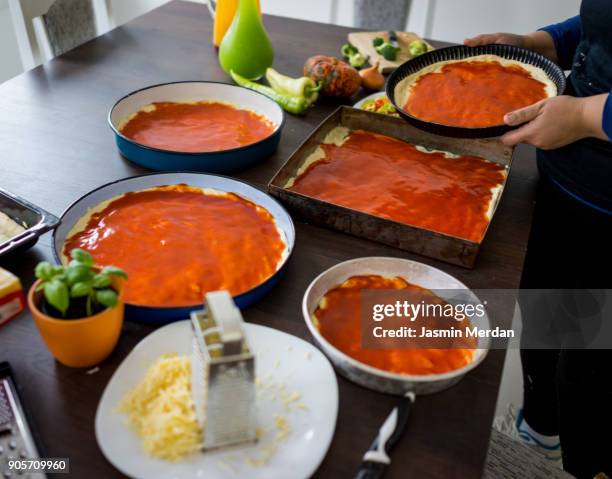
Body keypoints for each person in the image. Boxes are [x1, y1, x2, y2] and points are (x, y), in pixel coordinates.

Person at [464, 1, 611, 477]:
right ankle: (541, 434)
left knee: (592, 368)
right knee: (544, 314)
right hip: (561, 184)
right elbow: (602, 30)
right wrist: (536, 44)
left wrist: (588, 115)